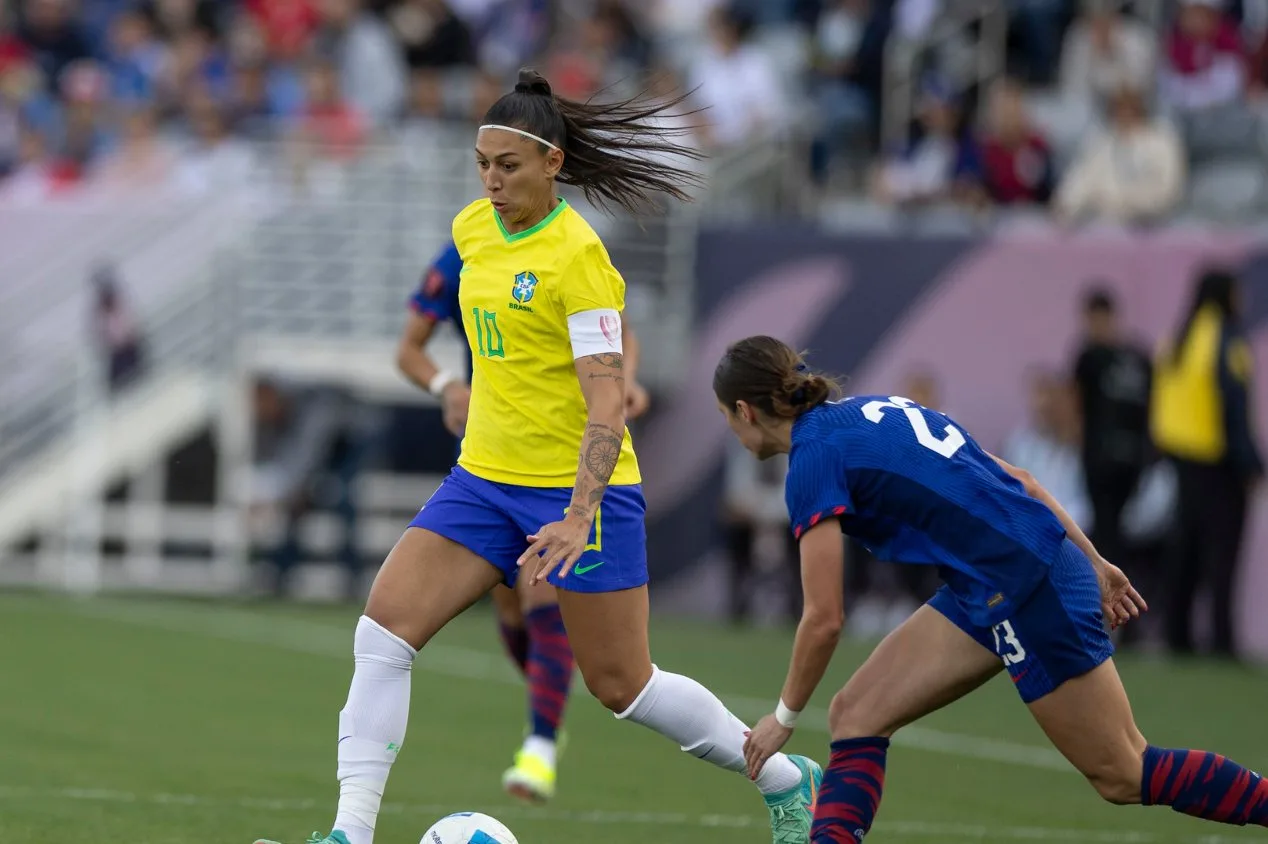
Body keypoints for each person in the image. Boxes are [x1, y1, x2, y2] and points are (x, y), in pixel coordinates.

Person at [252, 69, 821, 844]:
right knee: (382, 635)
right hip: (483, 481)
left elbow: (606, 403)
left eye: (508, 165)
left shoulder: (579, 258)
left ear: (553, 163)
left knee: (623, 686)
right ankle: (349, 834)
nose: (491, 180)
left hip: (577, 494)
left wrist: (579, 515)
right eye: (482, 164)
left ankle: (785, 779)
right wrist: (454, 389)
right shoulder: (471, 230)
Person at [715, 335, 1268, 844]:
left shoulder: (812, 461)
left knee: (1124, 772)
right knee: (856, 714)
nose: (732, 430)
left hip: (1025, 585)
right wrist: (1094, 561)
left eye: (726, 417)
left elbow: (824, 619)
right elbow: (1021, 480)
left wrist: (782, 719)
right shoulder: (868, 410)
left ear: (745, 410)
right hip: (993, 579)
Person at [394, 236, 653, 801]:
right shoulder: (464, 251)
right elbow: (409, 348)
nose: (498, 191)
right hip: (490, 459)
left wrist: (625, 380)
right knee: (511, 610)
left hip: (562, 458)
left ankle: (540, 744)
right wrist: (447, 386)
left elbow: (621, 334)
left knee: (541, 590)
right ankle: (547, 713)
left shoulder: (572, 251)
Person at [1151, 268, 1263, 659]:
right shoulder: (1226, 340)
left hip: (1180, 460)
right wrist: (1251, 464)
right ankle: (1221, 639)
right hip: (1218, 463)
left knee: (1185, 549)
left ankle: (1177, 633)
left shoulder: (1178, 339)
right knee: (1222, 553)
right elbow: (1234, 408)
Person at [1072, 288, 1152, 598]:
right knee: (1108, 535)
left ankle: (1117, 603)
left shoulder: (1127, 358)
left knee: (1115, 538)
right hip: (1108, 460)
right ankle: (1112, 604)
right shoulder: (1095, 358)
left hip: (1123, 462)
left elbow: (1077, 404)